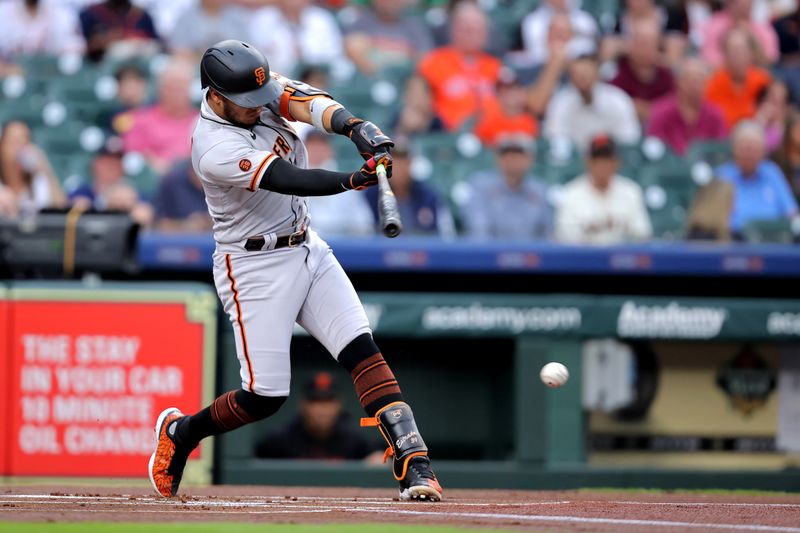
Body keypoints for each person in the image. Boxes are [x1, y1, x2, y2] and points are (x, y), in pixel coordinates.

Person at [148, 40, 442, 502]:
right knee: (264, 396)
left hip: (307, 246)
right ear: (216, 95)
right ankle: (182, 433)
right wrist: (353, 180)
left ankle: (415, 464)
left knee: (361, 349)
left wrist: (355, 127)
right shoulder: (212, 145)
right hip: (253, 264)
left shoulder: (255, 88)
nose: (257, 107)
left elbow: (308, 102)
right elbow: (285, 176)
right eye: (244, 103)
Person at [254, 372, 382, 461]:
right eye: (316, 401)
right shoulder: (280, 439)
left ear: (339, 404)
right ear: (303, 404)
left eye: (328, 401)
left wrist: (377, 459)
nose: (322, 409)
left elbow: (377, 457)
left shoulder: (354, 439)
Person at [416, 3, 502, 131]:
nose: (473, 34)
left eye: (478, 29)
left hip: (491, 136)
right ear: (454, 29)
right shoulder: (434, 61)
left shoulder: (495, 66)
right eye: (467, 29)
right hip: (447, 136)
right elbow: (418, 101)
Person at [555, 134, 652, 244]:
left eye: (607, 160)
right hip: (584, 257)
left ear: (617, 162)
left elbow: (643, 234)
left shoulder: (631, 191)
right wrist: (593, 228)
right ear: (588, 162)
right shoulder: (571, 193)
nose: (602, 165)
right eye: (597, 160)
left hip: (621, 256)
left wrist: (619, 226)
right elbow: (563, 238)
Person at [715, 121, 799, 238]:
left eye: (754, 149)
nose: (749, 154)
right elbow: (712, 220)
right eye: (745, 148)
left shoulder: (772, 172)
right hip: (733, 244)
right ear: (734, 149)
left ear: (763, 151)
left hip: (773, 242)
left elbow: (791, 213)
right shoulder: (722, 175)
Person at [462, 134, 551, 240]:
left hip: (530, 254)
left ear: (530, 159)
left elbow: (546, 233)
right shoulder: (480, 185)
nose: (512, 160)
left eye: (519, 155)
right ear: (497, 159)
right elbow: (479, 232)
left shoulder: (539, 189)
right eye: (506, 155)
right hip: (490, 254)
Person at [544, 54, 641, 151]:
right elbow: (555, 142)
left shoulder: (618, 100)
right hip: (574, 161)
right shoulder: (560, 103)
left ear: (597, 74)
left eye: (586, 72)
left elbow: (629, 141)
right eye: (577, 74)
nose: (582, 78)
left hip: (611, 159)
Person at [119, 59, 199, 175]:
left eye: (182, 86)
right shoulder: (140, 120)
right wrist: (151, 161)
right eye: (171, 86)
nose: (177, 92)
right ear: (160, 89)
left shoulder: (203, 122)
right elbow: (133, 157)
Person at [364, 141, 455, 237]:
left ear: (411, 162)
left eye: (404, 161)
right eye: (394, 161)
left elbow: (447, 237)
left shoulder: (429, 197)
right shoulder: (370, 196)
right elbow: (362, 237)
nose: (400, 166)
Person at [647, 57, 728, 156]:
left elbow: (720, 153)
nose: (694, 86)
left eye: (699, 81)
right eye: (690, 80)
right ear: (678, 82)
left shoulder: (715, 115)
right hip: (666, 169)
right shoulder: (661, 111)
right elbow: (652, 148)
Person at [302, 130, 375, 237]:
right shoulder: (293, 183)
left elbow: (364, 225)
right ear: (303, 150)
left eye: (321, 145)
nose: (317, 151)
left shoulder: (346, 183)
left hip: (341, 248)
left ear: (330, 150)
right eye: (312, 145)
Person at [248, 0, 345, 76]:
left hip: (318, 78)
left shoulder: (321, 18)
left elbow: (334, 55)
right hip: (277, 80)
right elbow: (257, 56)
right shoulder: (263, 19)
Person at [344, 0, 434, 76]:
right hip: (372, 79)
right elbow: (352, 48)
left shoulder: (414, 26)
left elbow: (426, 58)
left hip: (407, 80)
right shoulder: (361, 23)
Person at [705, 28, 772, 129]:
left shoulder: (763, 81)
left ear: (751, 54)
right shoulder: (713, 83)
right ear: (725, 55)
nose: (737, 56)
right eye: (732, 51)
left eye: (741, 51)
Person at [610, 20, 675, 124]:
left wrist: (648, 109)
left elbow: (674, 106)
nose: (645, 50)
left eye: (650, 44)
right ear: (630, 45)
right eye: (641, 43)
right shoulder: (616, 73)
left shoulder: (667, 77)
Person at [0, 120, 65, 219]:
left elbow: (61, 211)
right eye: (14, 142)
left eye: (24, 141)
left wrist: (45, 168)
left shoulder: (38, 180)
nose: (19, 148)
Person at [521, 0, 598, 69]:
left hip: (579, 73)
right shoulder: (533, 22)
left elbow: (588, 52)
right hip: (543, 73)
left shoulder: (585, 20)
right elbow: (536, 56)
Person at [700, 0, 779, 68]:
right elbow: (709, 59)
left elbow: (771, 59)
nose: (747, 4)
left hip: (756, 76)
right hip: (722, 76)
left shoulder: (762, 28)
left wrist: (751, 37)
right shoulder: (714, 25)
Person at [474, 68, 538, 146]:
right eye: (502, 91)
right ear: (497, 95)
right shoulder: (488, 123)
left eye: (515, 89)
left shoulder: (530, 122)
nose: (510, 95)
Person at [79, 0, 160, 62]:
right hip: (103, 65)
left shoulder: (142, 15)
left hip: (139, 65)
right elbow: (84, 46)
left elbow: (157, 44)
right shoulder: (91, 14)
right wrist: (108, 39)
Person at [0, 0, 85, 58]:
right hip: (12, 77)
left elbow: (76, 49)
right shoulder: (3, 11)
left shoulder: (61, 13)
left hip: (51, 75)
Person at [168, 0, 249, 59]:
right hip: (194, 68)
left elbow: (245, 48)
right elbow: (178, 49)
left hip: (230, 67)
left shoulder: (236, 17)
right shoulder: (186, 17)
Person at [154, 159, 212, 232]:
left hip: (216, 239)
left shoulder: (223, 183)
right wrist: (187, 225)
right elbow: (160, 224)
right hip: (179, 240)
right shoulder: (172, 183)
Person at [754, 79, 789, 154]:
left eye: (780, 99)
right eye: (772, 97)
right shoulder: (754, 117)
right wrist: (761, 121)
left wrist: (778, 125)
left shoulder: (790, 122)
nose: (774, 104)